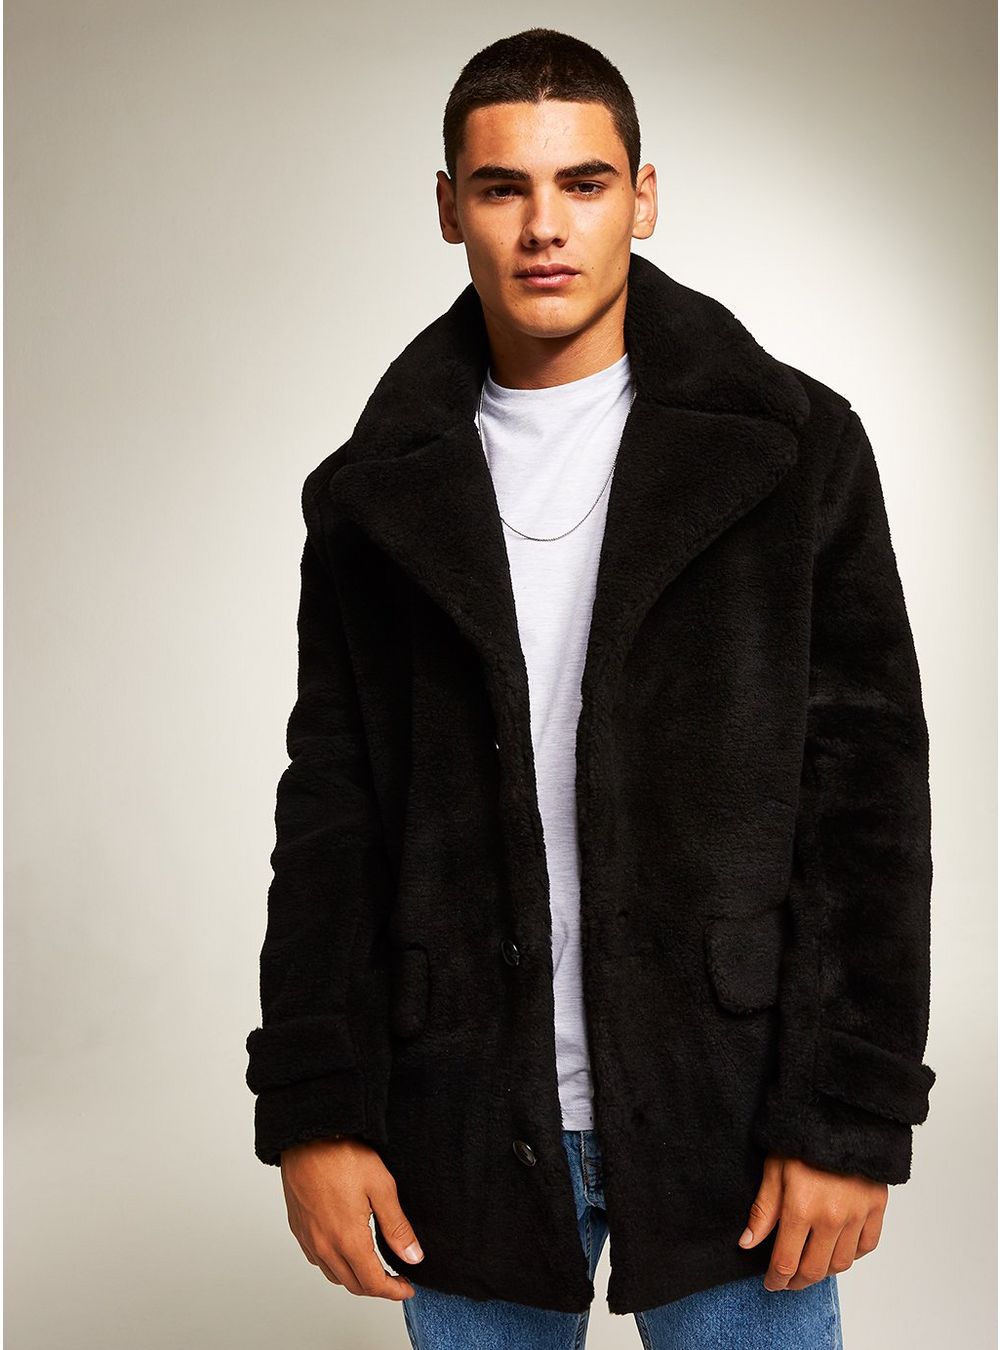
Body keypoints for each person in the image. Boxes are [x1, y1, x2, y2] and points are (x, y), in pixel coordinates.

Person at [244, 27, 936, 1349]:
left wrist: (849, 1114)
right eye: (502, 188)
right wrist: (317, 1113)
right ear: (448, 206)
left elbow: (867, 802)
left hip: (732, 1104)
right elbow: (330, 815)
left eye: (584, 182)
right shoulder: (370, 495)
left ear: (644, 196)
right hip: (461, 1106)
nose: (544, 227)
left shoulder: (794, 451)